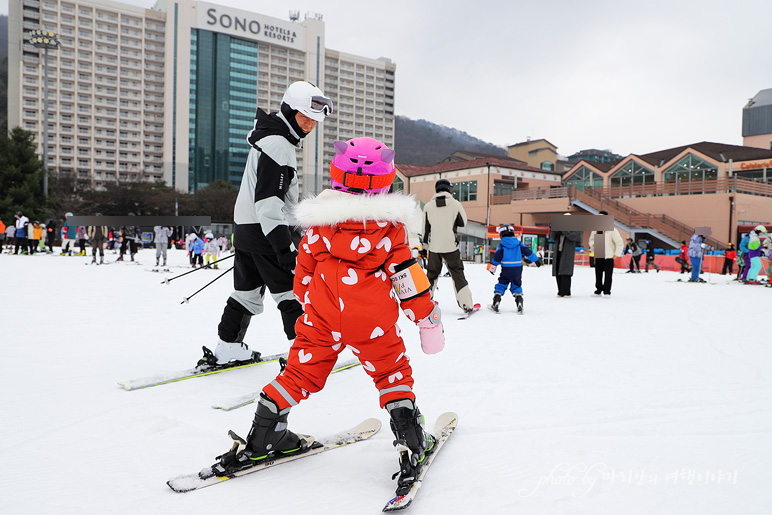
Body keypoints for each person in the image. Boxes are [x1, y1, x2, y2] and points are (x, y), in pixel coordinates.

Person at [202, 136, 443, 498]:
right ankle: (410, 440)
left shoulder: (320, 226)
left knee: (299, 371)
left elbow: (303, 274)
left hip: (323, 318)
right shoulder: (391, 230)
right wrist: (426, 318)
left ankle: (264, 434)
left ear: (337, 175)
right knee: (390, 370)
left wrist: (313, 302)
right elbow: (408, 278)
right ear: (386, 181)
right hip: (372, 323)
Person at [200, 81, 333, 368]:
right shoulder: (279, 144)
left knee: (246, 293)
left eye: (314, 120)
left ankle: (228, 347)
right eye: (304, 117)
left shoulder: (270, 138)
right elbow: (269, 200)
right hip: (267, 229)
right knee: (292, 291)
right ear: (288, 110)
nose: (309, 125)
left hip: (247, 228)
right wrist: (283, 246)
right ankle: (304, 355)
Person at [422, 178, 476, 313]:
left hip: (434, 247)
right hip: (451, 246)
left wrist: (424, 247)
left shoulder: (428, 206)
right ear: (450, 189)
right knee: (457, 274)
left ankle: (424, 303)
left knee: (431, 276)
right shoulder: (456, 204)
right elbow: (463, 222)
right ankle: (466, 304)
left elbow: (425, 229)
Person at [487, 224, 541, 313]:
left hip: (506, 269)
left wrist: (492, 268)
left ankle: (496, 302)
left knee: (502, 284)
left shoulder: (502, 245)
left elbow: (496, 257)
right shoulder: (519, 244)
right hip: (517, 269)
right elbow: (528, 252)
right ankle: (519, 302)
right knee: (516, 284)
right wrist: (536, 260)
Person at [588, 214, 624, 296]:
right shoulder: (595, 230)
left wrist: (616, 254)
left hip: (608, 255)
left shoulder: (612, 230)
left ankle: (607, 291)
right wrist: (594, 245)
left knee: (608, 274)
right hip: (599, 253)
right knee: (598, 273)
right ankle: (598, 289)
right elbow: (591, 240)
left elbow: (619, 243)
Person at [550, 213, 581, 298]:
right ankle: (560, 291)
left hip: (567, 252)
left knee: (566, 272)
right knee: (557, 270)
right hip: (558, 252)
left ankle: (566, 292)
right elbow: (552, 237)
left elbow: (574, 237)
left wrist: (564, 230)